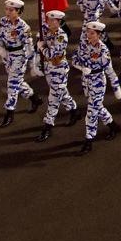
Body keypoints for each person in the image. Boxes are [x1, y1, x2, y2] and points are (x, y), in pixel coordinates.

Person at [0, 0, 43, 128]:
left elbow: (28, 46)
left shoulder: (23, 27)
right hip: (7, 57)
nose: (8, 12)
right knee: (17, 82)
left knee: (12, 85)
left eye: (11, 10)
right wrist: (0, 49)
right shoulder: (3, 22)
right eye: (7, 9)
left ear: (18, 11)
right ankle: (34, 98)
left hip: (19, 57)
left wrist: (32, 64)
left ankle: (9, 112)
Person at [74, 21, 121, 155]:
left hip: (98, 82)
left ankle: (89, 141)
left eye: (92, 33)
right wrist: (82, 67)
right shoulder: (83, 45)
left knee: (91, 113)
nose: (88, 35)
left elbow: (110, 71)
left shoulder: (103, 50)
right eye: (87, 32)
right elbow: (74, 59)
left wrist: (116, 87)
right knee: (97, 106)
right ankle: (113, 126)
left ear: (99, 35)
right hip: (86, 81)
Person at [32, 10, 77, 142]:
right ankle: (74, 111)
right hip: (49, 69)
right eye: (49, 20)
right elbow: (42, 29)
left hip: (59, 70)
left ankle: (47, 127)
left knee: (53, 99)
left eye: (53, 20)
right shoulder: (48, 30)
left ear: (59, 22)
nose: (49, 22)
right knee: (61, 93)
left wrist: (41, 47)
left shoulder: (61, 36)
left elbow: (52, 55)